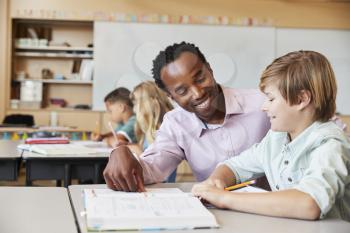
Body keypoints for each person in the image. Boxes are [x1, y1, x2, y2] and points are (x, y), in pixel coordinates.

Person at [191, 51, 350, 221]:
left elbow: (310, 204)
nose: (264, 107)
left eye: (271, 99)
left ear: (302, 99)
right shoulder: (277, 138)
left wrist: (224, 199)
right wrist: (216, 180)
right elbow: (235, 166)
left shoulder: (330, 144)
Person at [103, 41, 270, 191]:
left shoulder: (263, 104)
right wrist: (122, 155)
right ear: (171, 97)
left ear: (210, 70)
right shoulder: (176, 123)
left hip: (273, 212)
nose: (198, 93)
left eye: (200, 78)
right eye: (182, 91)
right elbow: (152, 168)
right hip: (218, 213)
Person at [128, 81, 177, 182]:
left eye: (136, 103)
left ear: (148, 104)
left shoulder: (164, 132)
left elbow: (161, 176)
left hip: (162, 190)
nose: (134, 109)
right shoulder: (148, 132)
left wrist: (139, 152)